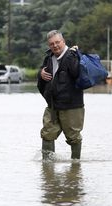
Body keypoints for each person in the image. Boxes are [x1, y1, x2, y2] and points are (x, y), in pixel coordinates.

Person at [37, 30, 84, 160]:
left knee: (73, 137)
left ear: (63, 42)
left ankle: (75, 165)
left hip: (72, 105)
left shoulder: (72, 55)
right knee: (47, 133)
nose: (55, 46)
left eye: (57, 42)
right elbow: (42, 77)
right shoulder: (48, 58)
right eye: (52, 44)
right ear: (49, 45)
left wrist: (72, 56)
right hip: (52, 104)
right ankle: (47, 167)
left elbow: (76, 74)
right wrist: (40, 73)